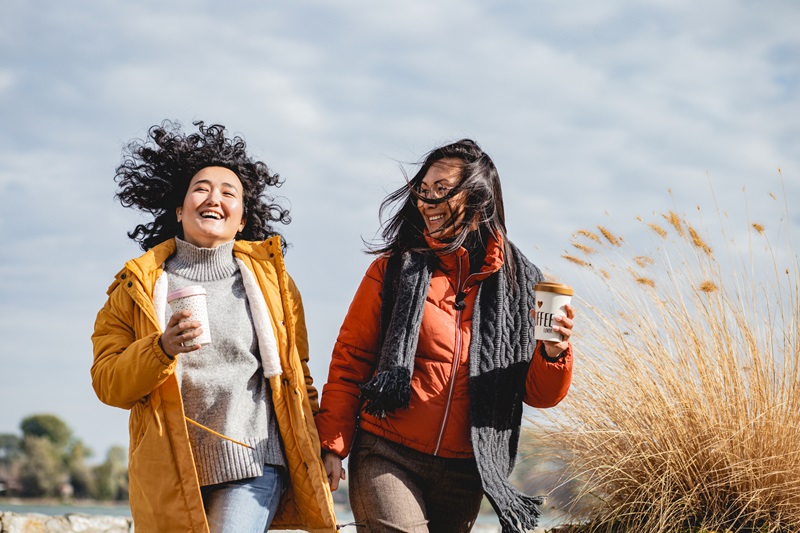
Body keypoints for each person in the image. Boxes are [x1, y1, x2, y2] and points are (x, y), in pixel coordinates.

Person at [314, 139, 575, 533]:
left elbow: (538, 395)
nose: (427, 201)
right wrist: (331, 445)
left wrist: (554, 352)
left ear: (478, 200)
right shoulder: (391, 271)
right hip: (387, 454)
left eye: (441, 190)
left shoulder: (523, 284)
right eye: (423, 191)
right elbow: (350, 360)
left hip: (466, 471)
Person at [91, 121, 336, 533]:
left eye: (229, 192)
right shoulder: (134, 287)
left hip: (255, 460)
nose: (214, 198)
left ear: (242, 220)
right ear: (179, 209)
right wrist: (161, 348)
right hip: (170, 471)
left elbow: (299, 375)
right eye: (201, 188)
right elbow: (108, 382)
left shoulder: (273, 285)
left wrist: (324, 447)